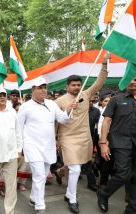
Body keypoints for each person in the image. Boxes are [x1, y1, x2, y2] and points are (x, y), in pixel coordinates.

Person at [55, 53, 109, 214]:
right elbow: (56, 122)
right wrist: (55, 139)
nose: (77, 87)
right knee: (76, 169)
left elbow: (100, 82)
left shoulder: (86, 94)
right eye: (73, 85)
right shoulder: (59, 101)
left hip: (84, 138)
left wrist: (104, 64)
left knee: (75, 167)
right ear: (67, 86)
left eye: (79, 84)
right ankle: (72, 199)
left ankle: (66, 188)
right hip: (67, 138)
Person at [17, 77, 74, 214]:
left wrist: (69, 110)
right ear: (33, 90)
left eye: (44, 87)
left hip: (48, 146)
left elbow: (63, 119)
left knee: (42, 174)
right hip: (32, 146)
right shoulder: (25, 107)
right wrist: (19, 149)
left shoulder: (52, 104)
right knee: (39, 175)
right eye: (39, 87)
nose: (43, 90)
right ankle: (40, 206)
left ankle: (33, 198)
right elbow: (18, 128)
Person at [97, 77, 136, 214]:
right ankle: (104, 193)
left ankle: (132, 208)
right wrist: (103, 143)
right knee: (124, 174)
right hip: (121, 143)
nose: (132, 82)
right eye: (130, 79)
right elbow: (106, 121)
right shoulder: (117, 99)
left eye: (135, 79)